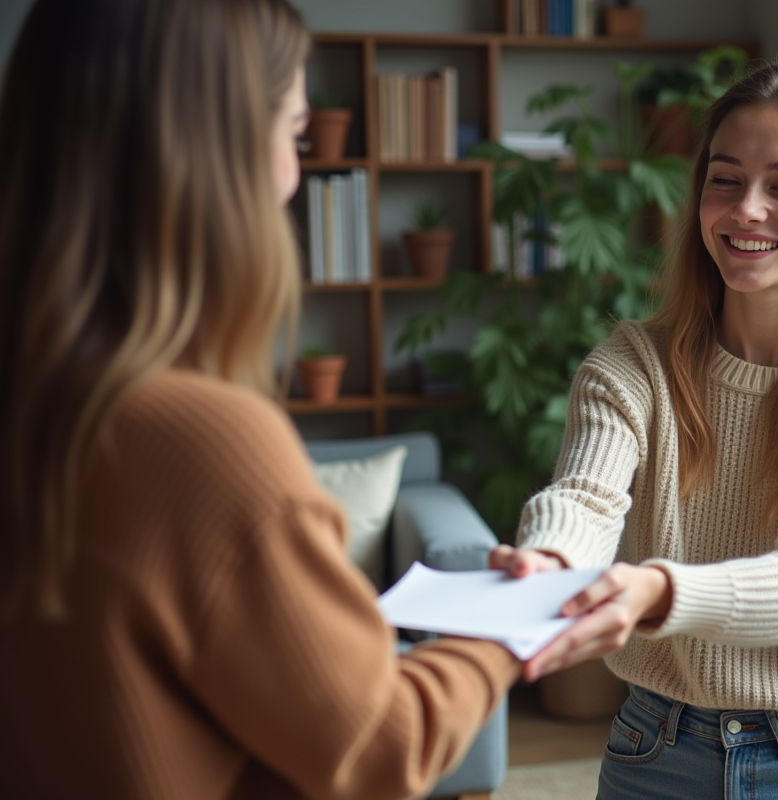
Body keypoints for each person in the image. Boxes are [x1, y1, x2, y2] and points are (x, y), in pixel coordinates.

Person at [0, 1, 530, 797]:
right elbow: (383, 745)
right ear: (207, 155)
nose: (294, 178)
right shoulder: (200, 445)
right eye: (294, 136)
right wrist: (508, 629)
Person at [490, 59, 778, 799]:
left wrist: (653, 589)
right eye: (725, 179)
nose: (746, 209)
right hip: (655, 750)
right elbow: (585, 498)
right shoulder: (632, 365)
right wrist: (549, 560)